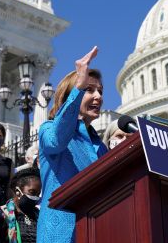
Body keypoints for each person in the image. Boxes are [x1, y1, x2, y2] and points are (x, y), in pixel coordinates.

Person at [38, 46, 107, 243]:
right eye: (89, 90)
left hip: (95, 230)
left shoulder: (100, 147)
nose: (98, 97)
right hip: (61, 233)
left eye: (100, 91)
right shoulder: (48, 129)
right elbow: (56, 141)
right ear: (71, 95)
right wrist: (78, 86)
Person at [2, 167, 41, 243]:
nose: (36, 197)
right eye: (32, 192)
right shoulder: (3, 214)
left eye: (38, 194)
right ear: (18, 191)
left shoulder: (38, 215)